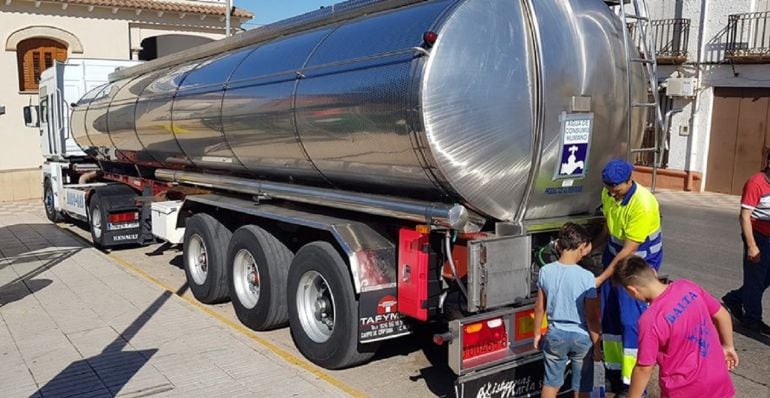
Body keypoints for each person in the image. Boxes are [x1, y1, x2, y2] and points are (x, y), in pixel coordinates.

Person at [613, 255, 739, 398]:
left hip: (684, 390)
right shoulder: (687, 286)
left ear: (632, 290)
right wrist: (728, 346)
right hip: (717, 380)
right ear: (653, 272)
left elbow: (644, 368)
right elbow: (722, 314)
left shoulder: (650, 320)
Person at [594, 159, 662, 391]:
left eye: (616, 187)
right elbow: (608, 228)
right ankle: (615, 374)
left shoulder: (642, 203)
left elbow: (628, 250)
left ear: (629, 180)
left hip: (637, 264)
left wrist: (602, 277)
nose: (612, 191)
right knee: (609, 316)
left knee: (630, 321)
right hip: (615, 256)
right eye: (608, 185)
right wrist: (591, 247)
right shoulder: (609, 194)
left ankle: (635, 383)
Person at [534, 223, 602, 398]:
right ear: (581, 247)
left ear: (559, 245)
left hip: (555, 334)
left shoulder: (545, 271)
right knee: (581, 388)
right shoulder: (587, 277)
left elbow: (540, 307)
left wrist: (536, 334)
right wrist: (596, 346)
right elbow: (592, 316)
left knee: (550, 384)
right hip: (581, 336)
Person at [722, 151, 770, 335]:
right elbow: (744, 216)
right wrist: (752, 246)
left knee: (762, 279)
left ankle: (734, 298)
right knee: (755, 279)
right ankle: (752, 320)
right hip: (757, 236)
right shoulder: (756, 183)